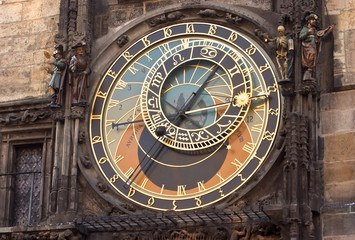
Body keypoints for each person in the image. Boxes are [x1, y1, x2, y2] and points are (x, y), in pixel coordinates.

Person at [299, 13, 334, 79]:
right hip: (307, 46)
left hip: (314, 45)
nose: (314, 21)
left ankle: (310, 71)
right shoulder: (305, 29)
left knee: (314, 56)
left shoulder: (315, 30)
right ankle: (308, 70)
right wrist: (307, 32)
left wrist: (329, 31)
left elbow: (321, 37)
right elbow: (300, 37)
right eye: (313, 20)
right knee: (312, 53)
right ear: (309, 21)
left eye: (315, 20)